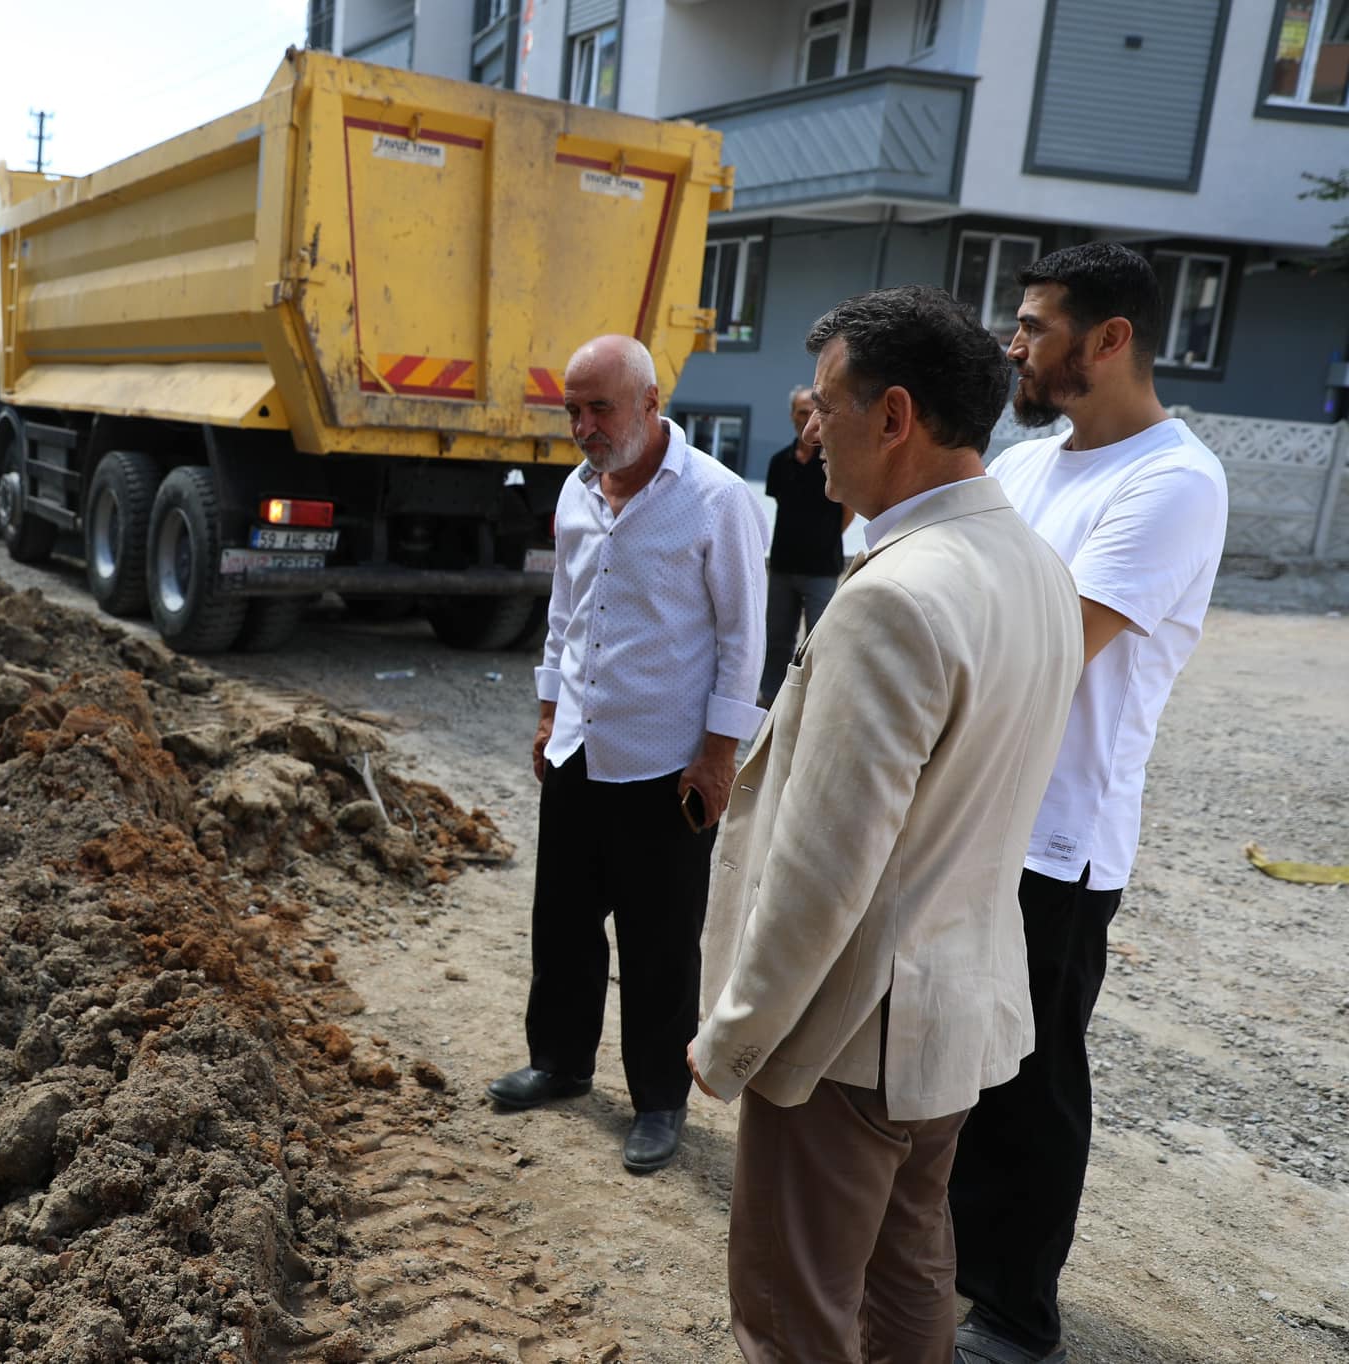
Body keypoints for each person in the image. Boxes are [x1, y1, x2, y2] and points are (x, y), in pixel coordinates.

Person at [687, 286, 1083, 1364]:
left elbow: (824, 869)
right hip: (953, 1015)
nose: (806, 433)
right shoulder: (1034, 565)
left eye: (823, 406)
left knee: (789, 1311)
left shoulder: (893, 598)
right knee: (908, 1270)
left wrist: (733, 1034)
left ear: (894, 416)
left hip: (845, 1036)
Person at [948, 243, 1229, 1364]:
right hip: (971, 809)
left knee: (1029, 1075)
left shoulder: (1171, 481)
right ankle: (953, 1271)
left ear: (1107, 340)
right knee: (946, 1055)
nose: (1011, 343)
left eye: (1032, 323)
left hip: (1058, 838)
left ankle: (1017, 1313)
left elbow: (1047, 645)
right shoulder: (1019, 467)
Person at [486, 333, 767, 1175]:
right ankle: (562, 1063)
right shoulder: (579, 494)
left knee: (660, 942)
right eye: (571, 409)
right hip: (579, 750)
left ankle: (658, 1101)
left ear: (651, 402)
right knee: (563, 922)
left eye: (598, 407)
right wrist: (546, 715)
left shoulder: (716, 500)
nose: (582, 426)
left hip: (665, 766)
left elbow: (741, 639)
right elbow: (565, 616)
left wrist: (718, 757)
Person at [758, 384, 853, 705]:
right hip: (783, 565)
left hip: (822, 568)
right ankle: (770, 697)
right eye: (800, 411)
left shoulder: (834, 460)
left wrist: (824, 539)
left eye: (812, 411)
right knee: (778, 638)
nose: (806, 418)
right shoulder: (778, 462)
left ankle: (815, 701)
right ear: (792, 416)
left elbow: (847, 510)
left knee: (819, 639)